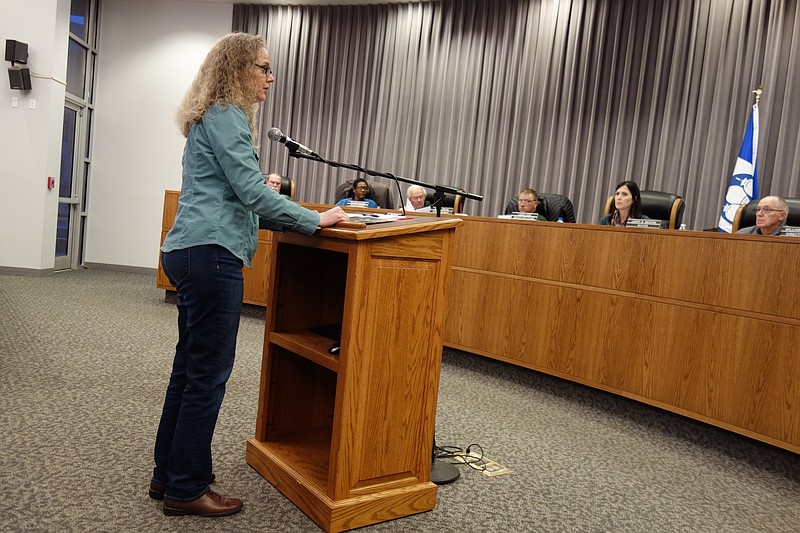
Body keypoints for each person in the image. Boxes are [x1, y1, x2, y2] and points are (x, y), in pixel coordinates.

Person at [153, 33, 348, 518]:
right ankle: (185, 487)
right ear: (237, 69)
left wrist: (264, 192)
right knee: (206, 376)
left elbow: (235, 190)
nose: (270, 77)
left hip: (192, 250)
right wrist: (313, 219)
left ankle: (169, 474)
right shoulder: (228, 116)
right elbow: (250, 195)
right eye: (262, 67)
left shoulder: (209, 117)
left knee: (189, 370)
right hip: (211, 254)